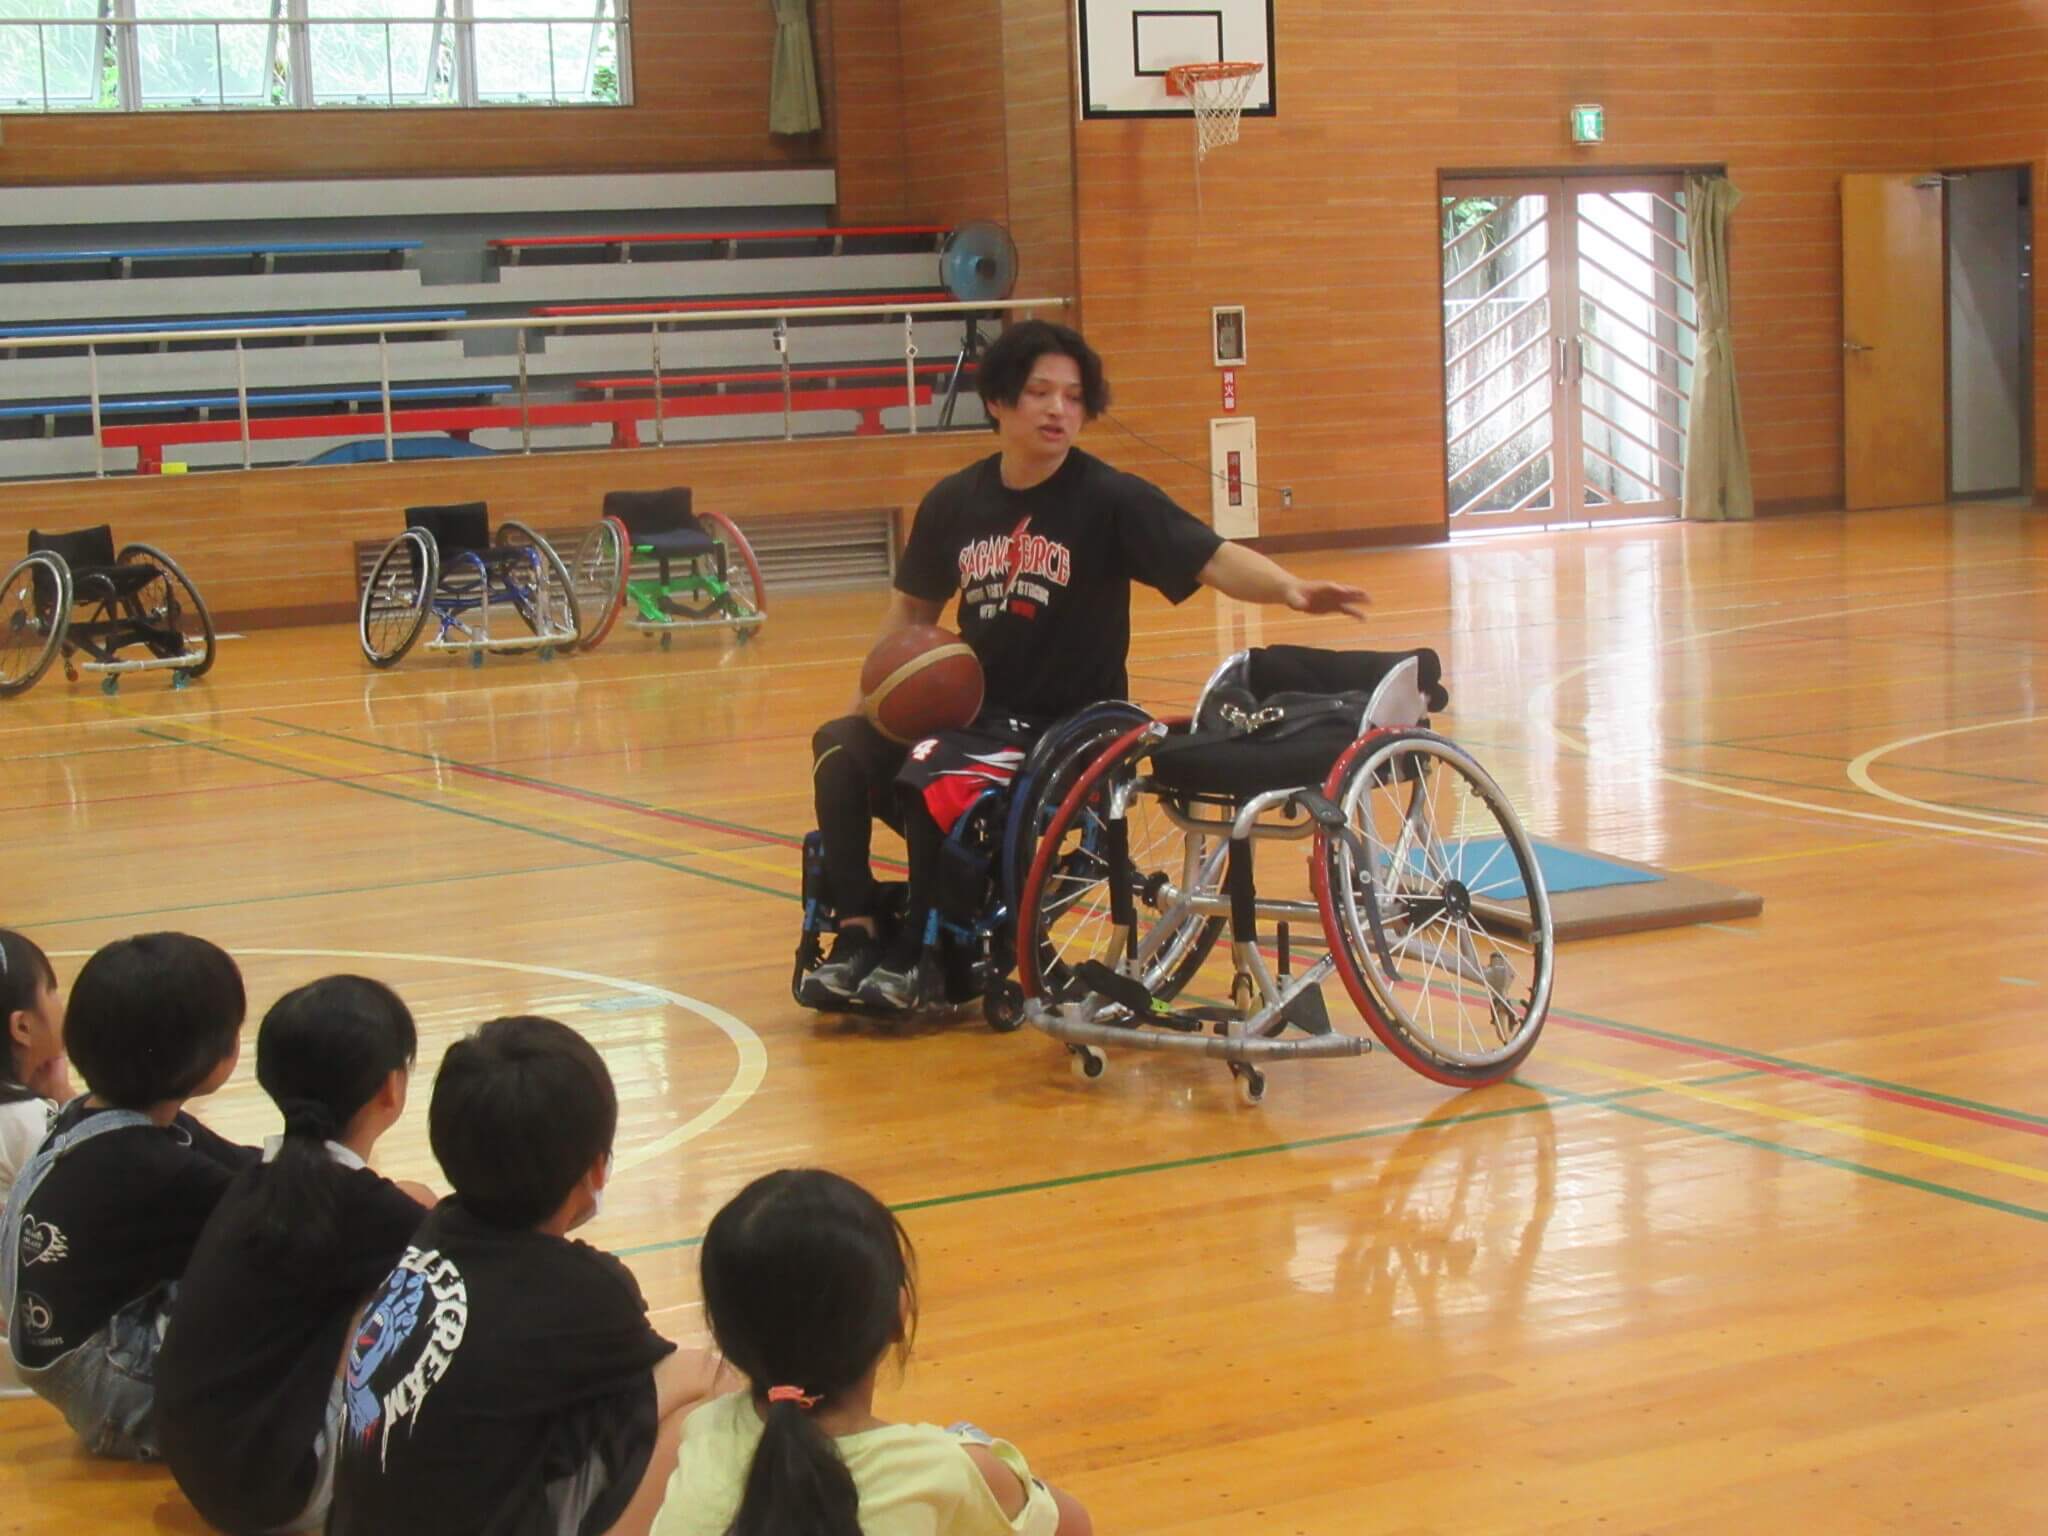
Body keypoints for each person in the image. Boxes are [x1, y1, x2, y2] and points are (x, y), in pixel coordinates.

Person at [803, 318, 1368, 1011]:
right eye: (1040, 392)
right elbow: (910, 616)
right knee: (841, 745)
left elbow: (1213, 556)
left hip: (1067, 729)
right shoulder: (954, 501)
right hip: (974, 719)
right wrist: (872, 698)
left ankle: (924, 950)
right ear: (999, 403)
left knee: (933, 763)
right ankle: (857, 932)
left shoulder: (1109, 498)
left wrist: (1289, 588)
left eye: (1072, 397)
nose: (1057, 410)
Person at [329, 1015, 725, 1536]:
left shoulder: (431, 1231)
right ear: (598, 1168)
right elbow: (669, 1382)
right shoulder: (587, 1291)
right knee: (714, 1388)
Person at [651, 1167, 1090, 1536]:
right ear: (897, 1315)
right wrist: (983, 1458)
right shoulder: (937, 1468)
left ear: (725, 1333)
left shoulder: (704, 1434)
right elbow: (1073, 1527)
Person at [157, 975, 435, 1535]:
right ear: (391, 1089)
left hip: (202, 1470)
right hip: (281, 1494)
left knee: (414, 1228)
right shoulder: (367, 1211)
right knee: (427, 1289)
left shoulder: (254, 1182)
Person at [0, 932, 255, 1458]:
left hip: (61, 1348)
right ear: (214, 1058)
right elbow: (278, 1206)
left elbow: (243, 1166)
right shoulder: (151, 1166)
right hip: (114, 1393)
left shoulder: (90, 1117)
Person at [1, 929, 72, 1400]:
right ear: (23, 1028)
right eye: (52, 989)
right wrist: (66, 1101)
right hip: (21, 1346)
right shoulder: (29, 1121)